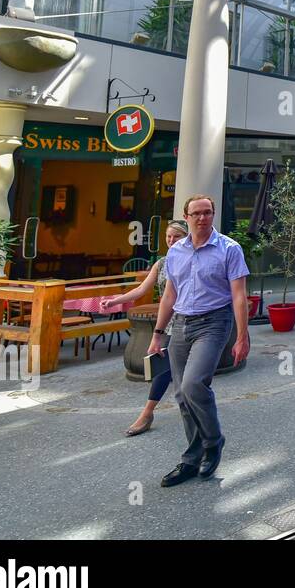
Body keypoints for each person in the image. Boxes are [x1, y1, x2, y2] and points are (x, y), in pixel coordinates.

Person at [149, 195, 250, 487]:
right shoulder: (175, 253)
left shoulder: (229, 249)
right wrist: (158, 334)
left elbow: (239, 295)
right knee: (181, 394)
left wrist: (242, 337)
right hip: (180, 324)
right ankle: (192, 458)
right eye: (197, 213)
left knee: (194, 384)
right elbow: (169, 295)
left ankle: (213, 441)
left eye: (208, 213)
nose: (202, 218)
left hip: (214, 322)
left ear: (213, 215)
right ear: (187, 216)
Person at [101, 220, 189, 436]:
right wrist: (115, 301)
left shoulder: (194, 259)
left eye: (176, 237)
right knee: (165, 366)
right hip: (170, 322)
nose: (171, 241)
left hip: (194, 319)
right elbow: (141, 289)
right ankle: (147, 413)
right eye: (168, 237)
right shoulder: (161, 263)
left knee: (186, 369)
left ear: (186, 237)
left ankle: (194, 409)